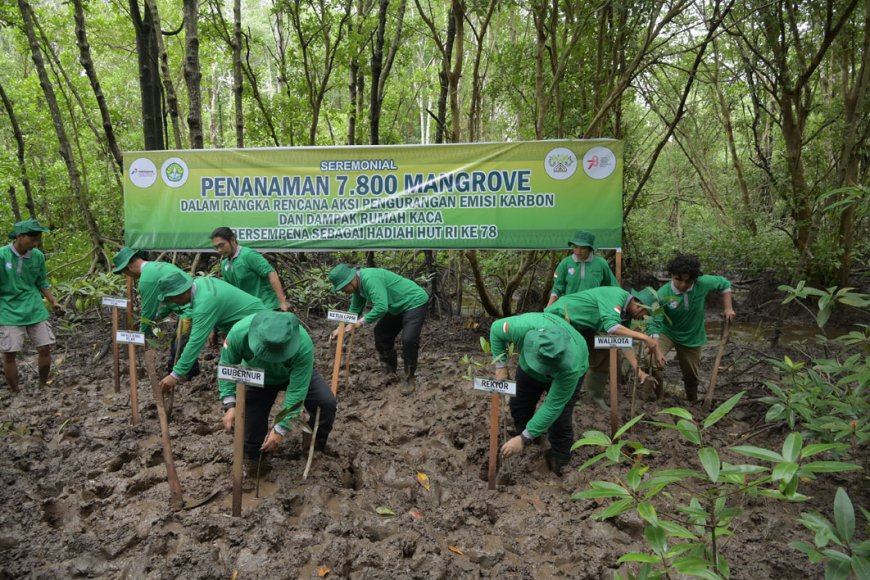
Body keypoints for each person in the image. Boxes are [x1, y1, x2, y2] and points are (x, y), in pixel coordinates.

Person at [219, 311, 337, 474]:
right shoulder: (239, 333)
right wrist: (229, 403)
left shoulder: (303, 345)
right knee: (251, 431)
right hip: (256, 376)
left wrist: (281, 428)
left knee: (326, 403)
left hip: (292, 375)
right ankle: (255, 462)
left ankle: (313, 448)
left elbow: (297, 391)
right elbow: (227, 365)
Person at [491, 312, 589, 476]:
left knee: (560, 418)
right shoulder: (522, 327)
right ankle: (527, 434)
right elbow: (495, 330)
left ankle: (560, 458)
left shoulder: (571, 367)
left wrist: (523, 439)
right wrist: (501, 366)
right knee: (519, 404)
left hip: (565, 372)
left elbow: (552, 406)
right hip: (527, 370)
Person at [545, 286, 664, 409]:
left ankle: (594, 396)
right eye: (646, 313)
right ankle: (559, 396)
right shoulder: (616, 296)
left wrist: (639, 373)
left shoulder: (626, 314)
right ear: (639, 305)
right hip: (562, 318)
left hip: (584, 327)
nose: (643, 317)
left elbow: (622, 342)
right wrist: (645, 338)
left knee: (604, 350)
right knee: (572, 359)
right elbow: (611, 327)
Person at [156, 272, 267, 391]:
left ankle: (254, 394)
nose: (173, 302)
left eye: (172, 298)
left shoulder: (203, 305)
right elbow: (222, 304)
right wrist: (214, 329)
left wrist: (176, 374)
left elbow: (195, 342)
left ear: (180, 292)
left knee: (255, 370)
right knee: (236, 363)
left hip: (255, 325)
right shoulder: (200, 282)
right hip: (251, 317)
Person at [328, 264, 429, 394]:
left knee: (408, 339)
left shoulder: (370, 279)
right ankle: (389, 368)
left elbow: (381, 307)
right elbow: (354, 311)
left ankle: (409, 377)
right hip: (396, 306)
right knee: (381, 333)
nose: (343, 291)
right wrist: (339, 329)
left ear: (350, 280)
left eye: (343, 288)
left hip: (414, 301)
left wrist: (360, 322)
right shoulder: (357, 287)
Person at [648, 254, 735, 402]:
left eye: (687, 282)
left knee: (691, 376)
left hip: (692, 335)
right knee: (652, 363)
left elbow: (725, 284)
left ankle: (692, 401)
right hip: (667, 332)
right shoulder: (662, 294)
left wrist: (728, 308)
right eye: (678, 280)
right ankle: (659, 398)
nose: (682, 285)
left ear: (694, 279)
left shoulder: (703, 283)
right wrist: (655, 350)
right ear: (672, 276)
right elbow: (655, 323)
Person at [0, 219, 62, 391]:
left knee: (44, 348)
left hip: (34, 307)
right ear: (20, 236)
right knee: (10, 353)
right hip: (8, 309)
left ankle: (42, 385)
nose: (36, 243)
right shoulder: (2, 255)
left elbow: (42, 281)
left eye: (38, 239)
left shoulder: (38, 256)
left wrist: (53, 301)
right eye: (32, 239)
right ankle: (15, 391)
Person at [210, 227, 288, 312]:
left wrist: (282, 302)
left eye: (221, 245)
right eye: (216, 247)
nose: (219, 250)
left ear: (232, 240)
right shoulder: (225, 264)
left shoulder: (248, 255)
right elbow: (230, 290)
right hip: (248, 311)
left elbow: (271, 273)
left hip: (267, 307)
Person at [546, 230, 618, 307]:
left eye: (583, 248)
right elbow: (557, 288)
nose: (578, 251)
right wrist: (548, 307)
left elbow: (613, 286)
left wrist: (614, 306)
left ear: (590, 249)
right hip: (569, 307)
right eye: (575, 247)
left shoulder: (601, 263)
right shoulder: (565, 263)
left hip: (594, 308)